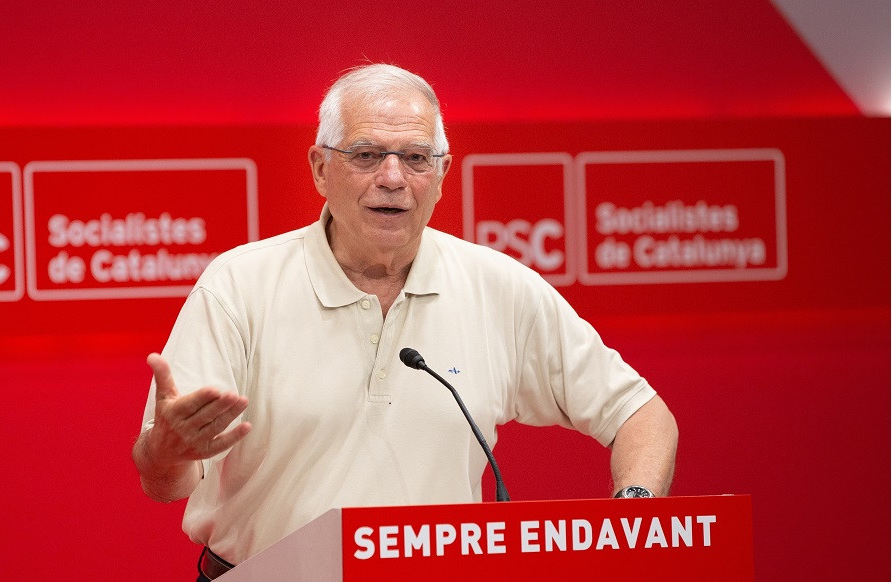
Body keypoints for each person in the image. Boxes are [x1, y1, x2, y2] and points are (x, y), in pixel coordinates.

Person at [132, 63, 679, 580]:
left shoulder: (498, 286)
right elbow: (166, 481)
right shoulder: (239, 286)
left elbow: (641, 414)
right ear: (321, 169)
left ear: (442, 174)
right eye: (367, 155)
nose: (393, 178)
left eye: (417, 158)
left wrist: (632, 523)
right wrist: (167, 452)